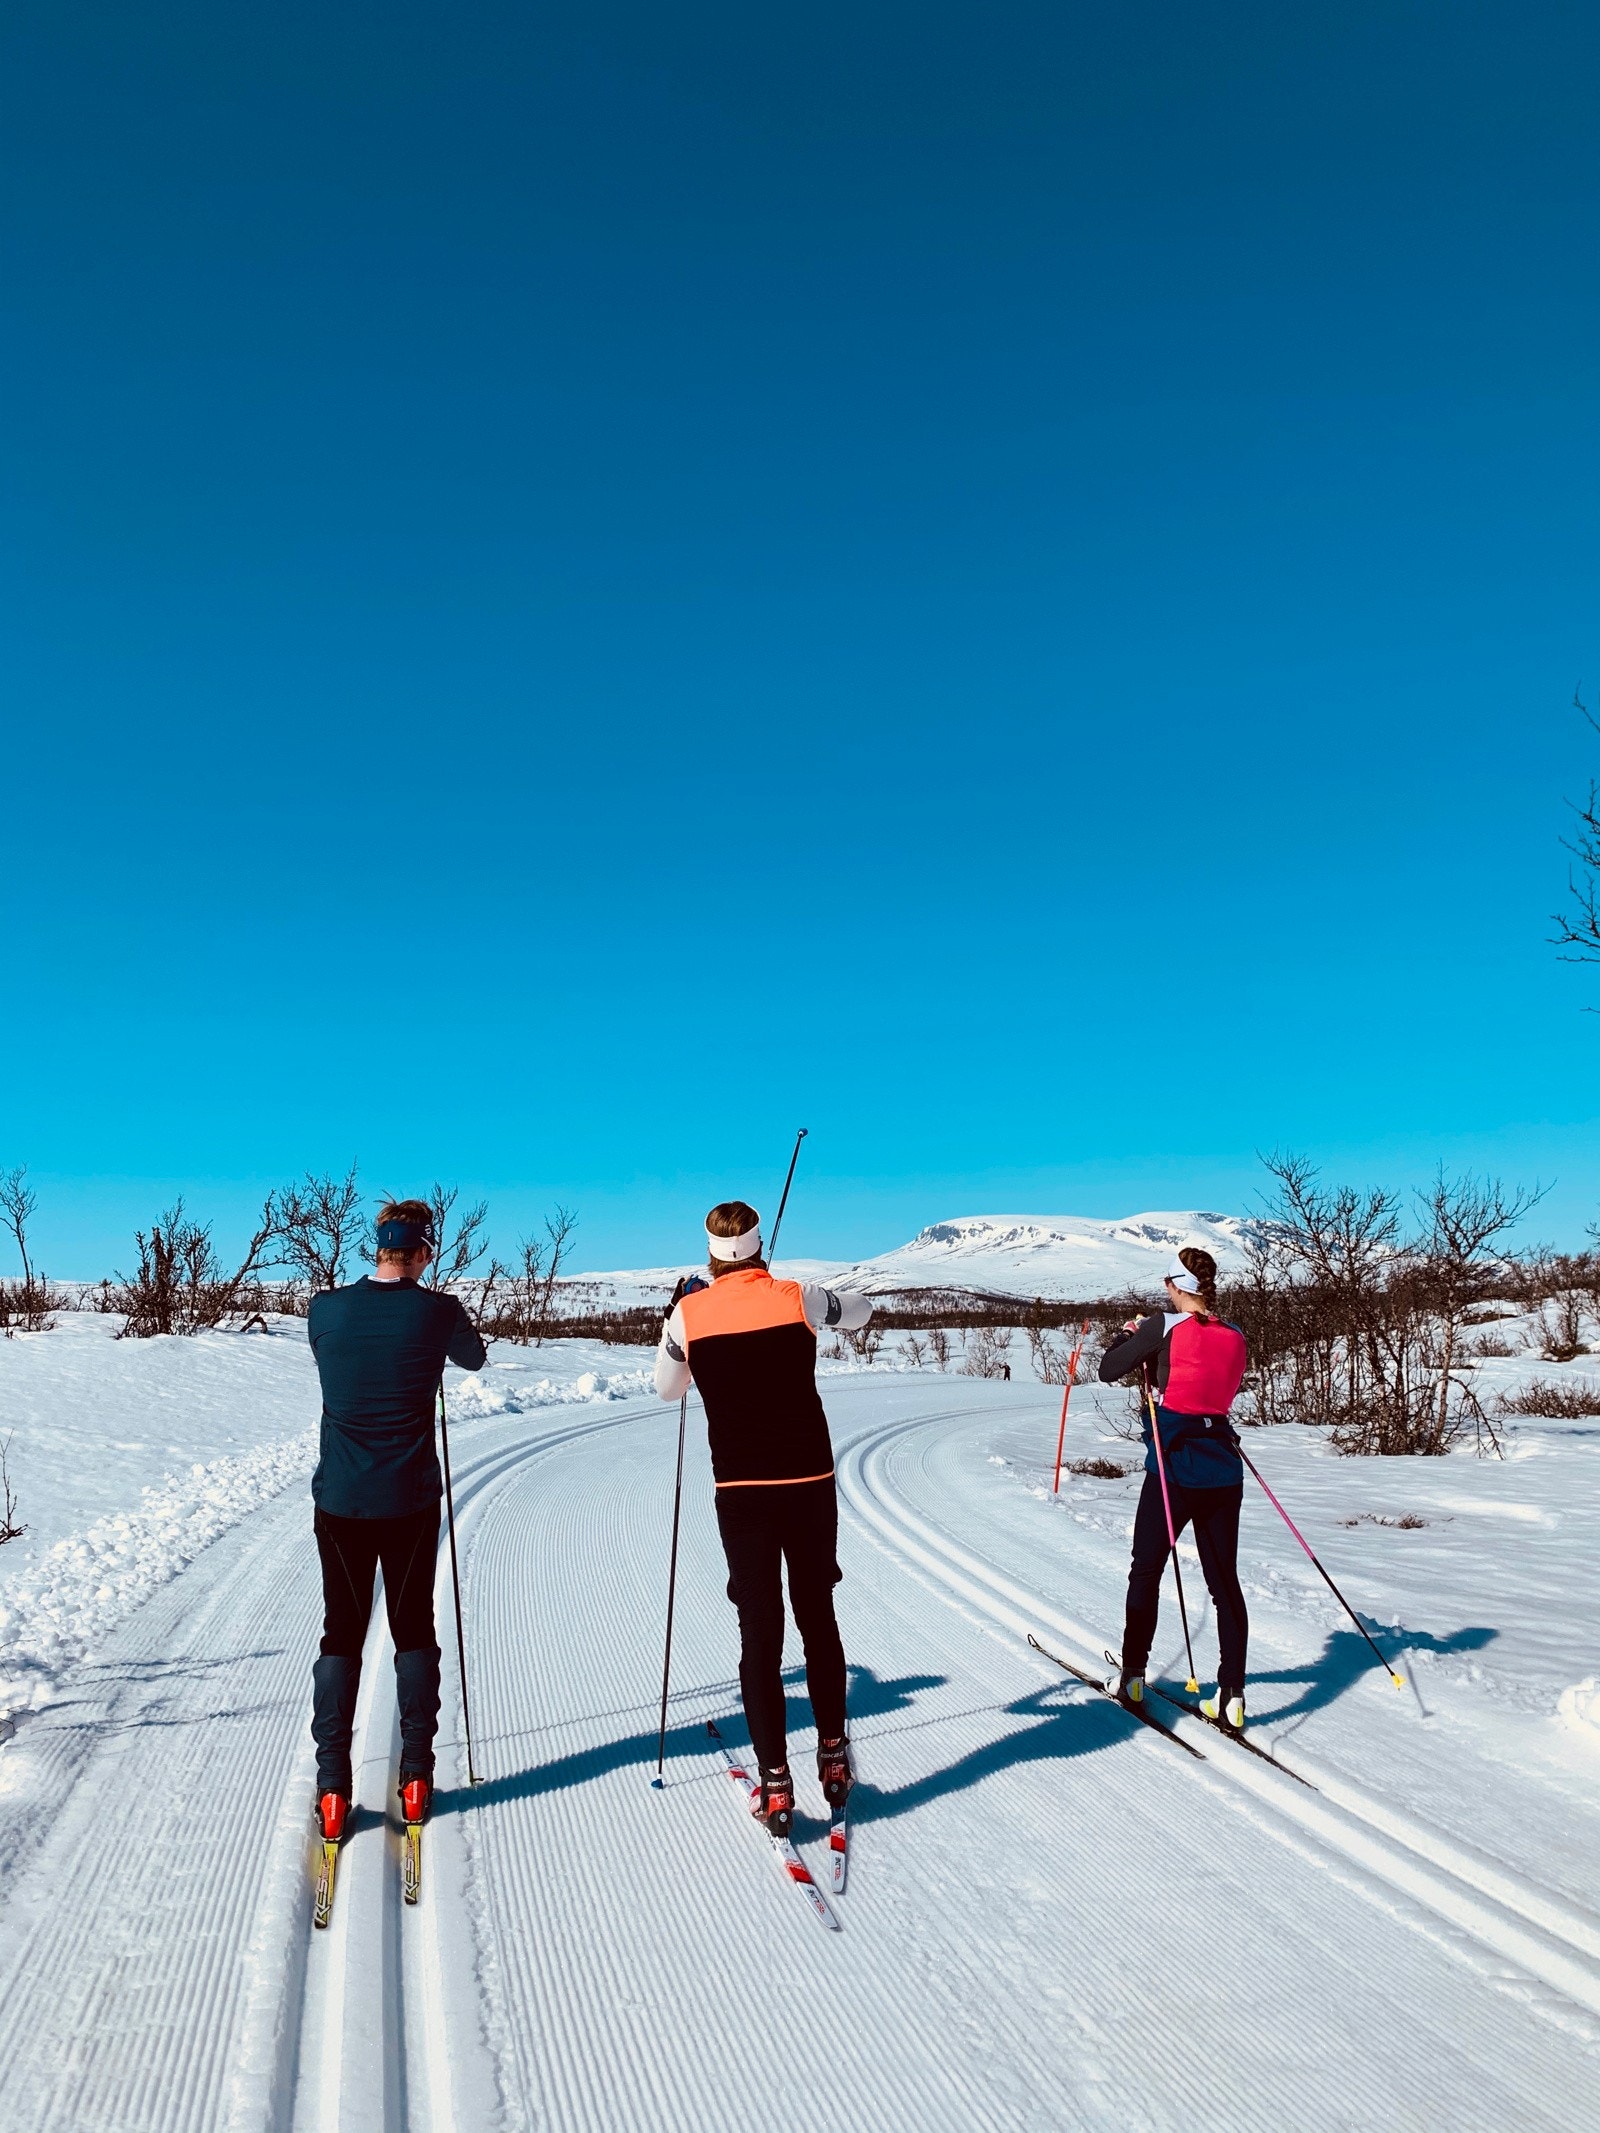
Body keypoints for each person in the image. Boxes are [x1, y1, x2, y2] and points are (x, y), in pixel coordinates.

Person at [653, 1200, 873, 1832]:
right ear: (756, 1247)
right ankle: (833, 1754)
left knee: (760, 1630)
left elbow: (667, 1387)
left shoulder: (690, 1313)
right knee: (816, 1615)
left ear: (710, 1253)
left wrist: (680, 1316)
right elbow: (858, 1314)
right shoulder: (797, 1296)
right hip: (809, 1483)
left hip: (742, 1490)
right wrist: (814, 1297)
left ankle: (775, 1784)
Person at [306, 1198, 487, 1846]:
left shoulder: (324, 1309)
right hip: (409, 1501)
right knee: (413, 1627)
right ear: (423, 1250)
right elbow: (475, 1358)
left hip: (343, 1502)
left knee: (341, 1634)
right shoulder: (437, 1312)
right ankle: (415, 1777)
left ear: (378, 1247)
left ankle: (332, 1790)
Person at [1097, 1247, 1250, 1729]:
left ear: (1175, 1284)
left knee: (1146, 1571)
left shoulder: (1162, 1326)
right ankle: (1231, 1696)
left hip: (1173, 1470)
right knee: (1226, 1584)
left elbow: (1107, 1369)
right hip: (1223, 1469)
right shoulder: (1237, 1336)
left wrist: (1132, 1336)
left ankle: (1134, 1676)